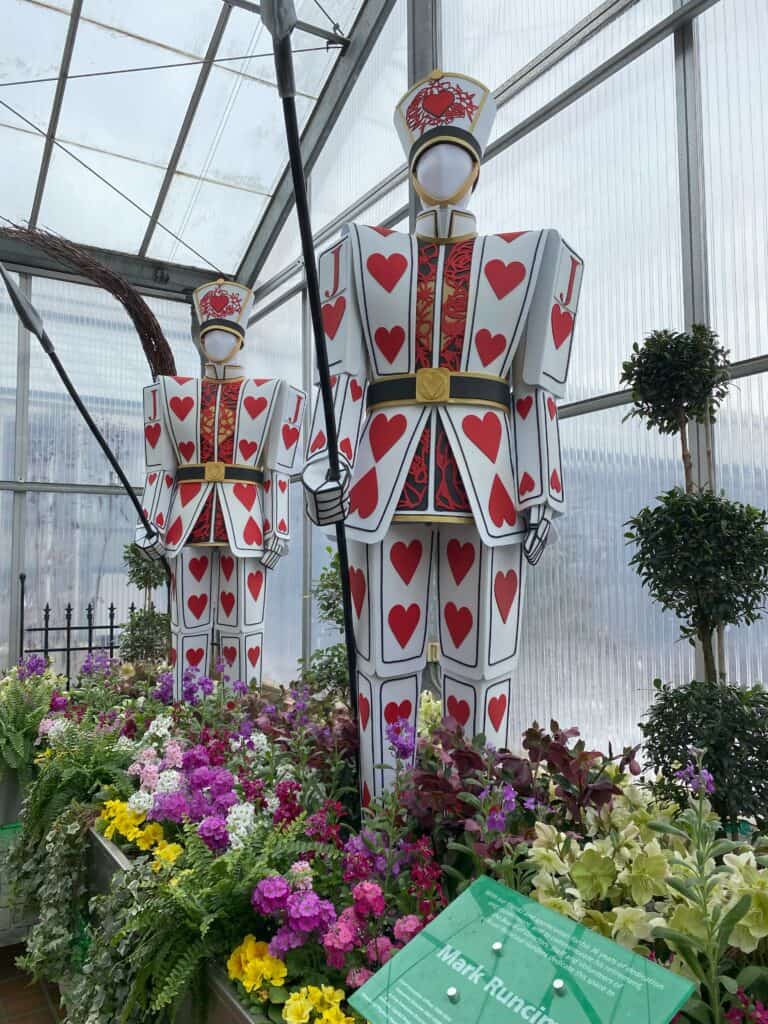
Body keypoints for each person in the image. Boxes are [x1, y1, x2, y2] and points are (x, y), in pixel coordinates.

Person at [302, 71, 583, 801]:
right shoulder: (355, 257)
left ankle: (473, 813)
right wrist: (320, 466)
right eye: (429, 152)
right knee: (380, 661)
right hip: (379, 476)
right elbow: (339, 382)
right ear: (410, 165)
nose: (442, 167)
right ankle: (383, 811)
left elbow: (534, 394)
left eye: (456, 150)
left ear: (478, 163)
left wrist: (543, 487)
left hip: (486, 480)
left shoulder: (527, 261)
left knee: (482, 661)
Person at [136, 278, 305, 697]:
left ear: (240, 337)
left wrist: (278, 525)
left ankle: (239, 710)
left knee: (243, 624)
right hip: (186, 518)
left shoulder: (269, 395)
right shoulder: (171, 394)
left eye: (225, 333)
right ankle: (184, 704)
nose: (215, 341)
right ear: (198, 338)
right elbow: (161, 468)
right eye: (209, 333)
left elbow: (277, 469)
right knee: (185, 624)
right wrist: (151, 521)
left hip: (244, 522)